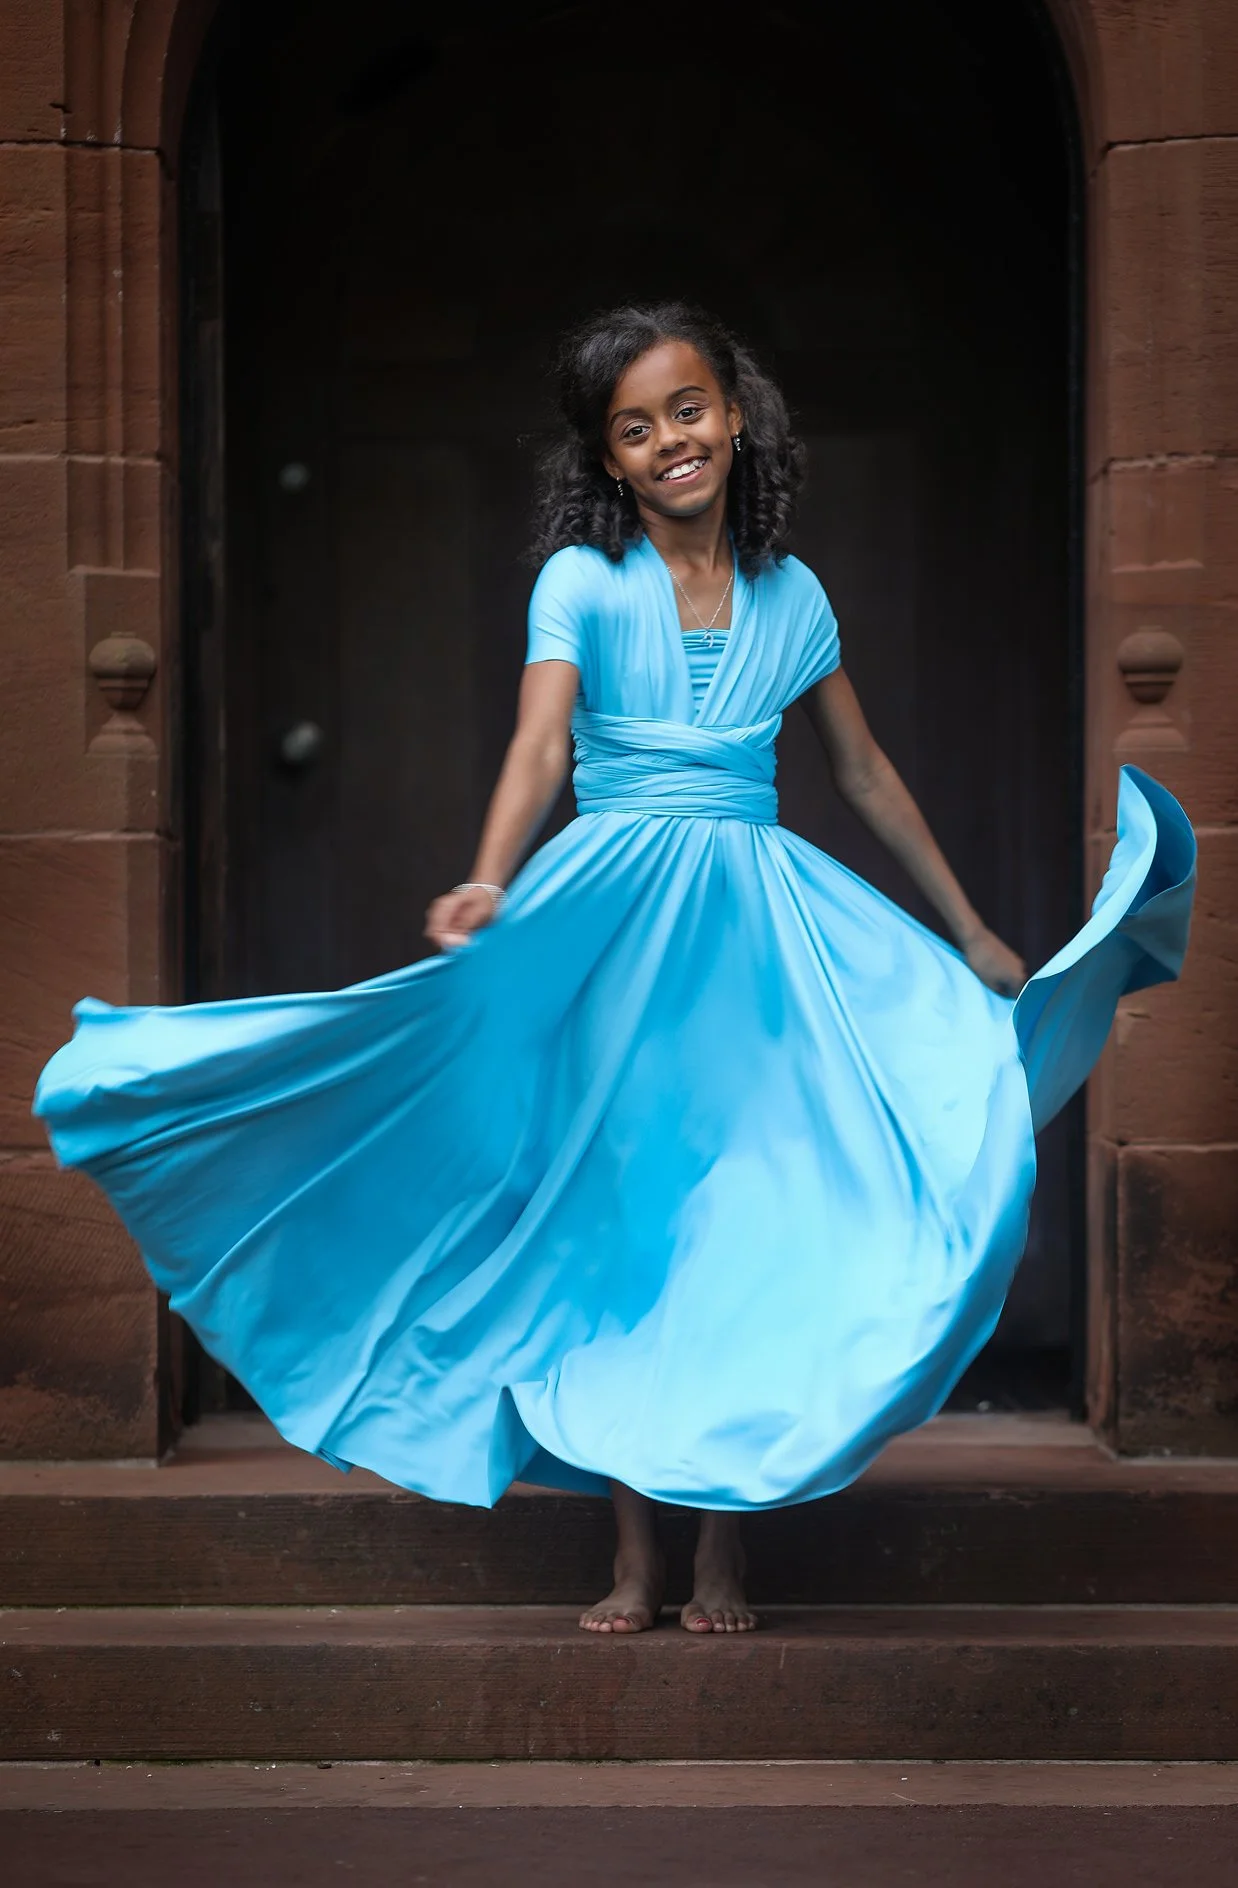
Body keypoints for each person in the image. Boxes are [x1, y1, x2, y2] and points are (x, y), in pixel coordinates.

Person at [33, 303, 1195, 1639]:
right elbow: (538, 747)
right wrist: (488, 872)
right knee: (620, 1228)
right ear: (608, 460)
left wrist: (972, 934)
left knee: (746, 1227)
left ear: (736, 416)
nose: (668, 441)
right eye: (634, 429)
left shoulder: (792, 595)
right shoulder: (581, 582)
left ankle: (723, 1557)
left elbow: (861, 773)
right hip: (612, 924)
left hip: (755, 938)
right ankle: (635, 1558)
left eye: (686, 410)